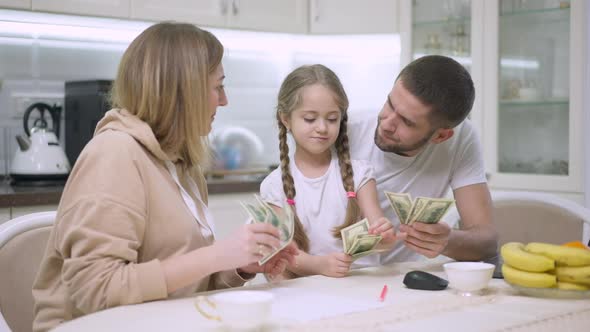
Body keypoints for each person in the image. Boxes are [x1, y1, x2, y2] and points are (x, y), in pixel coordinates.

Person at [32, 22, 297, 332]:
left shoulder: (182, 162)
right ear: (184, 90)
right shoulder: (114, 154)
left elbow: (185, 283)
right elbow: (96, 290)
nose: (224, 100)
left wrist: (237, 265)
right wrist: (215, 255)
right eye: (218, 86)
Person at [348, 55, 498, 264]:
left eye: (407, 122)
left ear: (441, 136)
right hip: (335, 276)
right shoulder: (343, 130)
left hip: (402, 281)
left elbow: (487, 241)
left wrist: (447, 241)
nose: (387, 124)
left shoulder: (462, 138)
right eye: (390, 104)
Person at [260, 64, 402, 279]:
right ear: (286, 119)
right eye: (310, 119)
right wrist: (320, 265)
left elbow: (379, 238)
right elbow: (284, 252)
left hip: (363, 288)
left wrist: (385, 237)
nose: (322, 128)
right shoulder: (274, 185)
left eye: (332, 118)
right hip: (311, 292)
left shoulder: (360, 174)